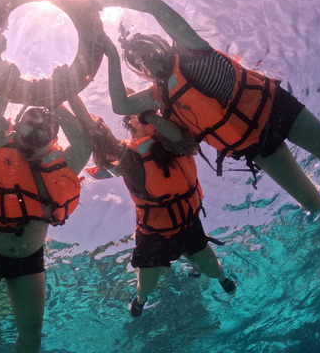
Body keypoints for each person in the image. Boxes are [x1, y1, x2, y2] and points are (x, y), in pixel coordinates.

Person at [86, 0, 320, 254]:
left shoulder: (190, 49)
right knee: (312, 204)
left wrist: (104, 1)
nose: (144, 59)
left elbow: (154, 5)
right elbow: (120, 104)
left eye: (146, 49)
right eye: (136, 61)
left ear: (160, 43)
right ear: (139, 72)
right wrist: (113, 56)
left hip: (277, 110)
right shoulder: (158, 98)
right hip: (256, 146)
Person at [0, 96, 91, 353]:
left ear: (54, 136)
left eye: (44, 127)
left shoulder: (63, 165)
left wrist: (57, 100)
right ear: (15, 126)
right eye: (27, 124)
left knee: (31, 337)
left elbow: (83, 142)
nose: (34, 131)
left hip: (28, 262)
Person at [67, 95, 235, 318]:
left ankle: (215, 276)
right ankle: (140, 299)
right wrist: (71, 95)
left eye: (147, 111)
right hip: (155, 232)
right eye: (137, 113)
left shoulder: (177, 137)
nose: (145, 117)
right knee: (146, 284)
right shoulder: (128, 156)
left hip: (188, 222)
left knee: (213, 269)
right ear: (132, 123)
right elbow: (97, 133)